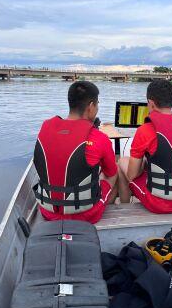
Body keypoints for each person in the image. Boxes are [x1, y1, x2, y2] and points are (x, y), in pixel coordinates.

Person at [33, 81, 117, 223]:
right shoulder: (99, 138)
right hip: (87, 215)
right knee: (115, 172)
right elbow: (111, 172)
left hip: (48, 213)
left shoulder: (45, 129)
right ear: (91, 107)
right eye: (97, 104)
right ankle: (114, 209)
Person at [118, 79, 172, 213]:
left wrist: (141, 166)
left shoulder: (145, 130)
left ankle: (124, 209)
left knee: (122, 162)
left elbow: (132, 175)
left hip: (159, 204)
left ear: (151, 103)